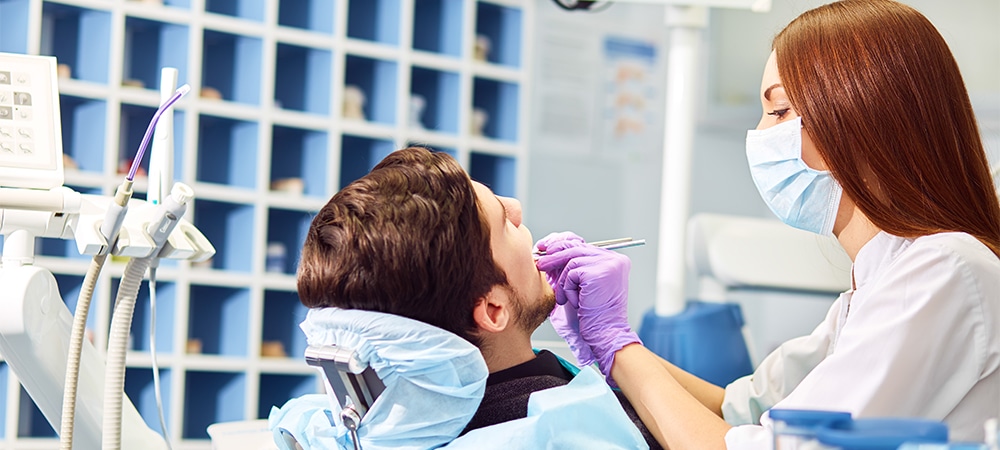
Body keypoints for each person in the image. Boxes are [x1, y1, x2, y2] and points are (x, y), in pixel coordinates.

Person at [536, 0, 1000, 448]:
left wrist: (617, 345)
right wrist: (610, 346)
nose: (760, 135)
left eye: (779, 111)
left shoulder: (943, 272)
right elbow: (736, 409)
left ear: (859, 118)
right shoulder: (880, 283)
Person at [295, 146, 661, 448]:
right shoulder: (577, 431)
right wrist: (617, 347)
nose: (515, 207)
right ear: (493, 309)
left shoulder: (392, 424)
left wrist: (606, 354)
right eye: (504, 222)